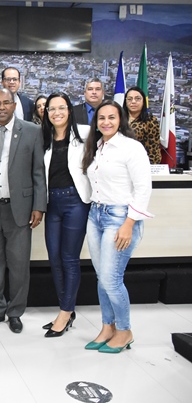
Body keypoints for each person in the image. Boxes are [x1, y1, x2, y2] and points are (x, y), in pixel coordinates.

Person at [81, 100, 152, 353]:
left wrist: (129, 223)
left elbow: (144, 188)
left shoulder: (131, 148)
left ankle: (125, 330)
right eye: (101, 118)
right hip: (95, 214)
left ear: (120, 119)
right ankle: (107, 327)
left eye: (112, 117)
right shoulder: (97, 146)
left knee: (112, 279)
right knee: (102, 278)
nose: (106, 122)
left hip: (120, 217)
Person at [0, 88, 46, 333]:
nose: (2, 107)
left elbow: (38, 172)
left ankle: (15, 312)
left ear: (14, 105)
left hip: (20, 209)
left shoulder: (32, 131)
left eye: (7, 103)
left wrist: (39, 206)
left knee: (18, 265)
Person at [40, 92, 91, 338]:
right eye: (51, 109)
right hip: (53, 204)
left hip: (75, 202)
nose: (56, 113)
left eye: (61, 108)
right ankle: (67, 311)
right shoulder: (44, 138)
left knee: (70, 259)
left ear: (69, 110)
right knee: (54, 258)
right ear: (46, 113)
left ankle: (64, 312)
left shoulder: (85, 133)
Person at [123, 86, 162, 164]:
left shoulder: (150, 120)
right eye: (130, 99)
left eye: (137, 99)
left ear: (143, 101)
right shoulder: (118, 118)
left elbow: (153, 149)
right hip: (119, 164)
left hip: (140, 164)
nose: (133, 102)